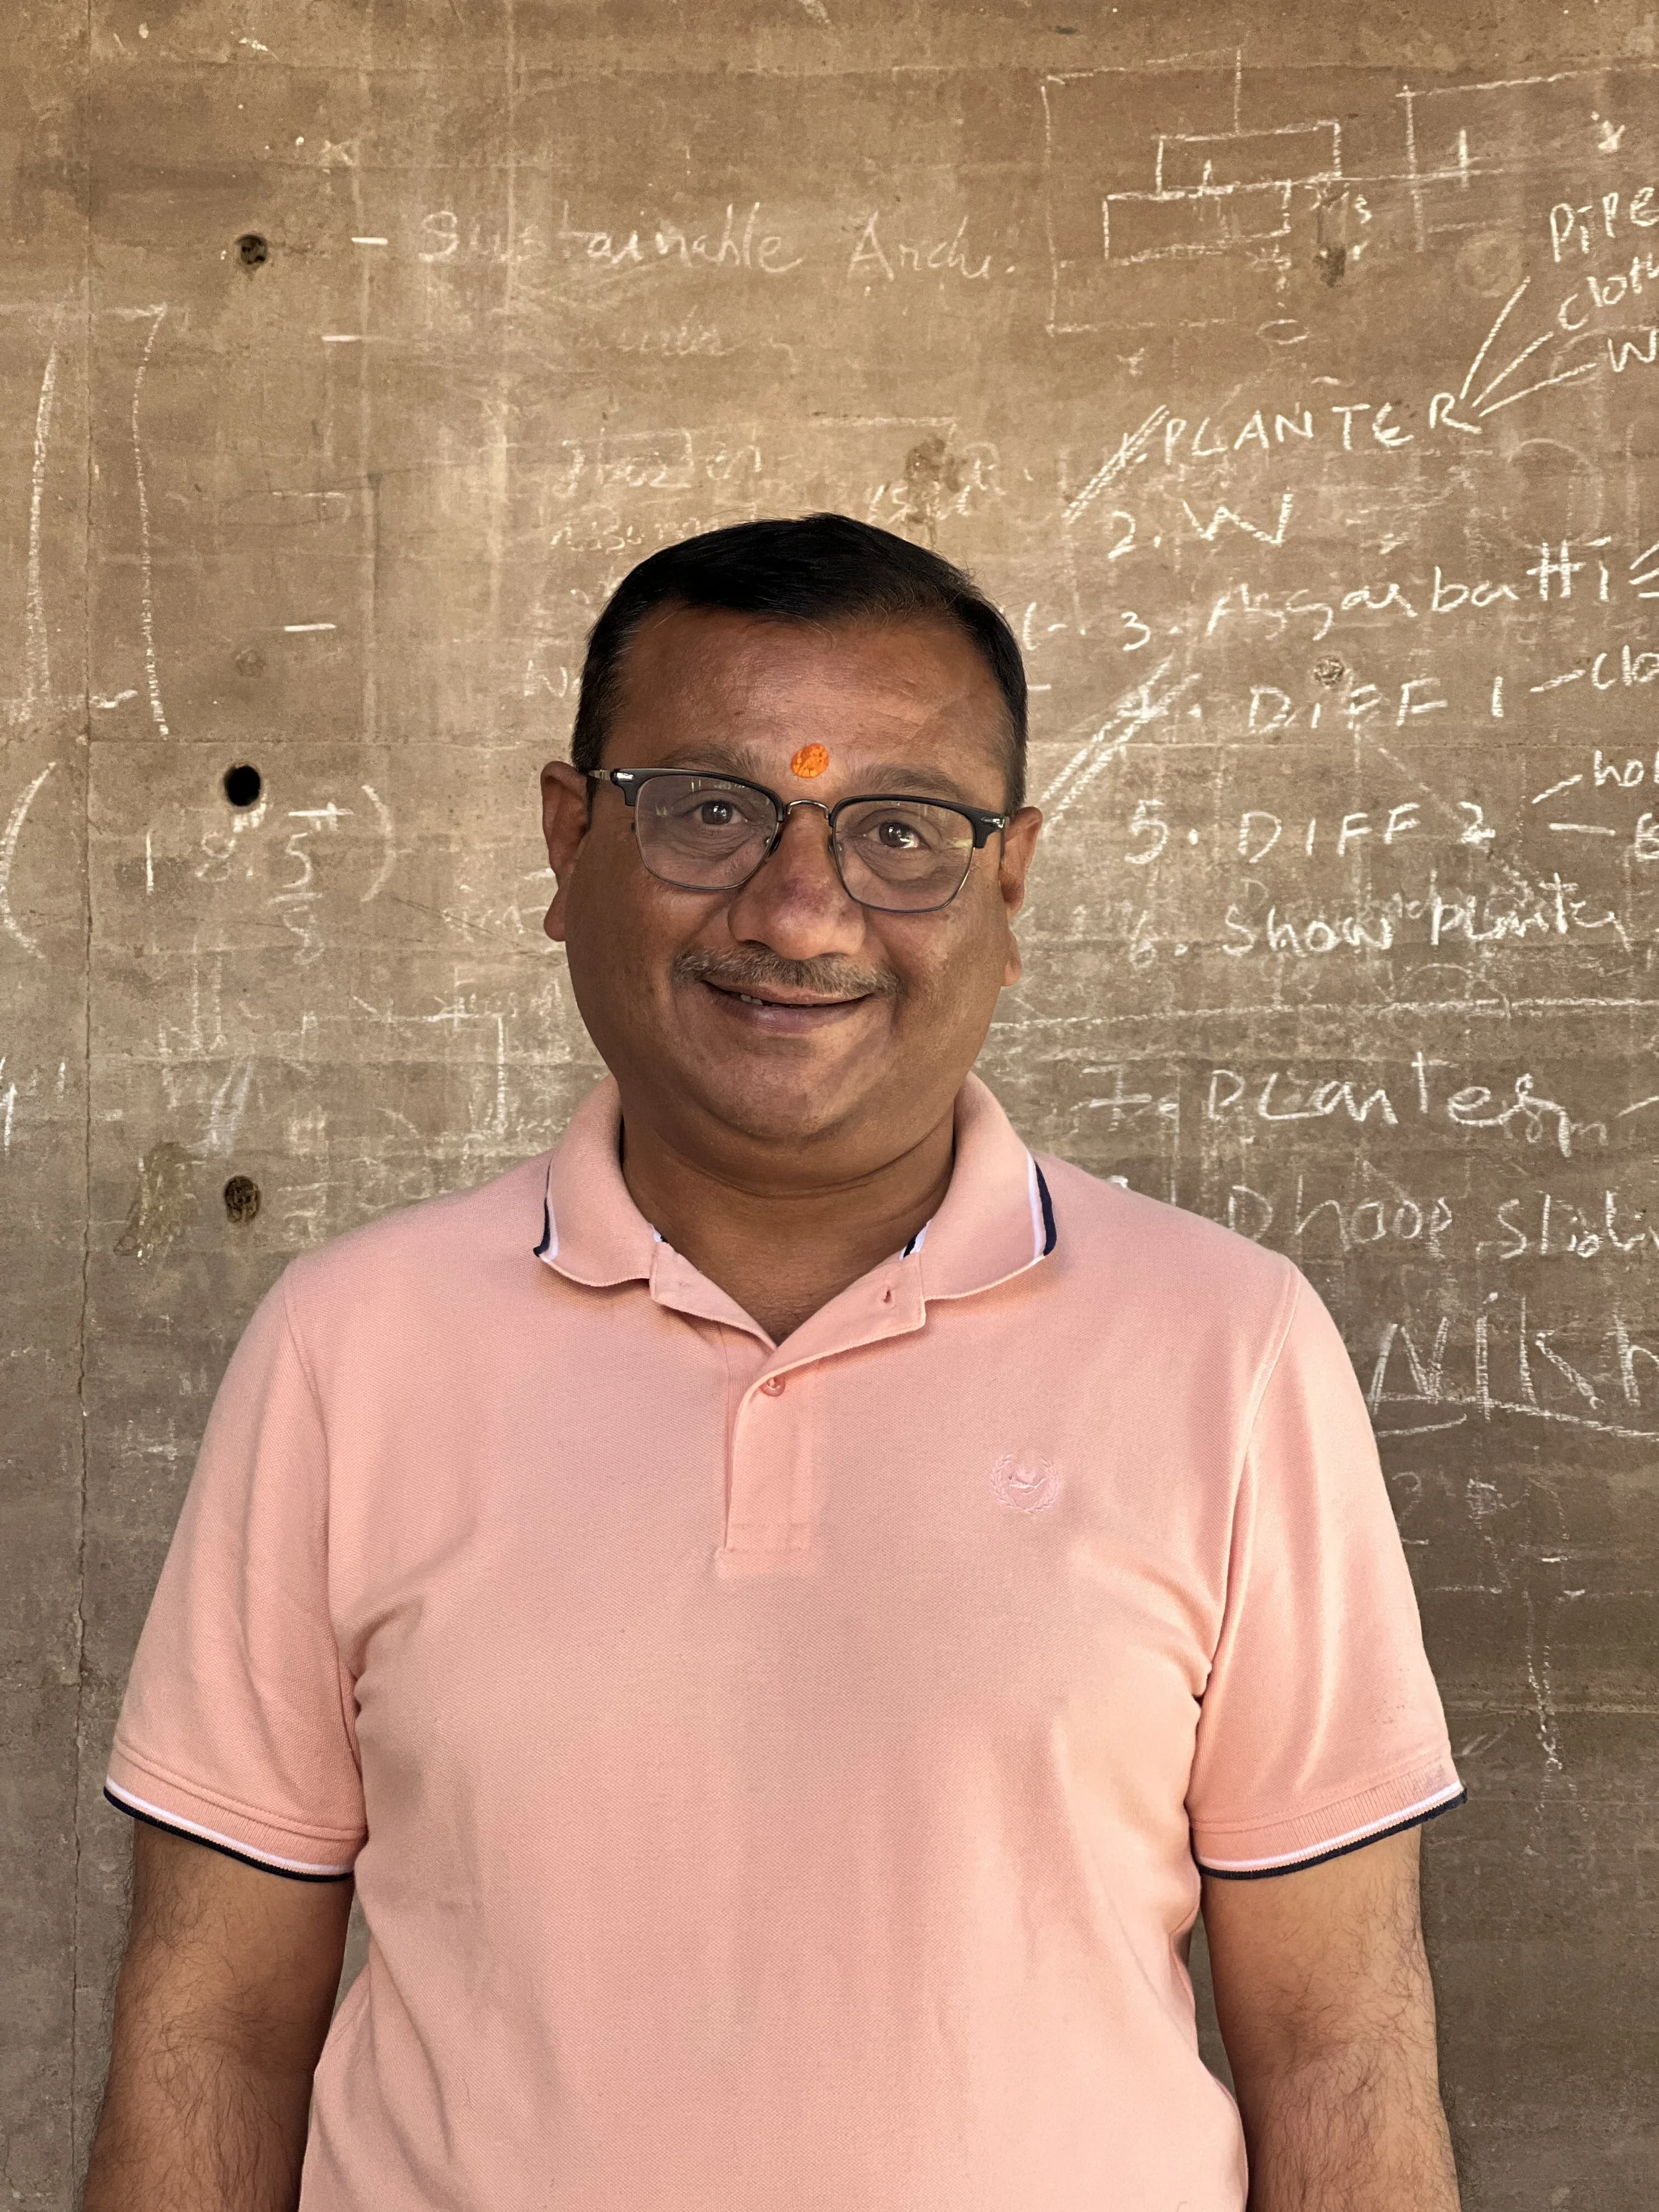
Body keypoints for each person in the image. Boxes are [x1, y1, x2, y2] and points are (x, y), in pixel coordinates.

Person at [85, 514, 1465, 2212]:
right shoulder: (346, 1349)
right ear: (566, 838)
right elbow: (214, 2023)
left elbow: (1334, 2041)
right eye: (710, 809)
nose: (799, 909)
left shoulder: (1227, 1351)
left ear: (1009, 886)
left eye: (898, 830)